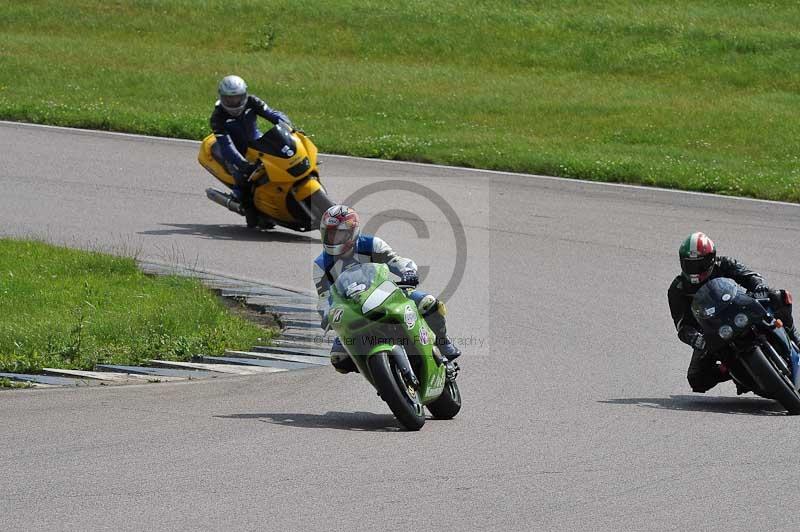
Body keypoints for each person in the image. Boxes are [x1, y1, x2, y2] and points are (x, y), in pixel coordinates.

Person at [312, 205, 461, 374]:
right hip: (352, 309)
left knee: (429, 303)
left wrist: (409, 272)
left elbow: (397, 261)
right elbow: (324, 298)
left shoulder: (372, 244)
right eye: (329, 234)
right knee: (339, 359)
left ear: (351, 232)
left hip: (386, 294)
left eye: (338, 233)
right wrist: (327, 314)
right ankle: (380, 375)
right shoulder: (320, 265)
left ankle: (442, 342)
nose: (332, 239)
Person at [668, 231, 798, 393]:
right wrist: (696, 339)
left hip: (739, 310)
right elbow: (682, 325)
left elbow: (750, 276)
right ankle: (732, 370)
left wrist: (759, 287)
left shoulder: (724, 264)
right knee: (696, 379)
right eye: (690, 264)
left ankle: (794, 337)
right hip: (711, 331)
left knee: (780, 297)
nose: (696, 270)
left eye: (700, 264)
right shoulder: (677, 290)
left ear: (711, 259)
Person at [197, 75, 290, 228]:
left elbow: (272, 114)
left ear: (244, 95)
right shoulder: (217, 117)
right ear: (221, 97)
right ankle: (250, 213)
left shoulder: (252, 101)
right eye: (229, 99)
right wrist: (242, 164)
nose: (234, 102)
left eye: (237, 98)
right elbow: (226, 145)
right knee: (244, 179)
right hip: (236, 151)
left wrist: (287, 125)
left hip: (257, 142)